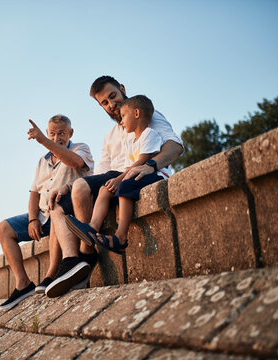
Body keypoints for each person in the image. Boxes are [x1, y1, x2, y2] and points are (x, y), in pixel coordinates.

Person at [44, 76, 183, 298]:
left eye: (113, 96)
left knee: (86, 186)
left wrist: (150, 165)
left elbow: (175, 146)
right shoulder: (110, 136)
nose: (111, 105)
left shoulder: (147, 114)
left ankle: (86, 257)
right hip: (111, 176)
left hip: (133, 173)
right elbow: (99, 173)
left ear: (122, 89)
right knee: (64, 197)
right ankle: (75, 261)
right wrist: (66, 188)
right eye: (104, 103)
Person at [0, 114, 94, 309]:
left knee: (55, 207)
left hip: (65, 211)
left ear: (70, 133)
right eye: (52, 134)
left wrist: (44, 141)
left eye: (61, 133)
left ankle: (56, 271)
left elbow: (76, 163)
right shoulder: (42, 161)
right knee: (3, 228)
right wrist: (33, 219)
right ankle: (23, 283)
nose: (57, 137)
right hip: (42, 215)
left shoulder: (80, 148)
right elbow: (34, 193)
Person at [66, 95, 171, 253]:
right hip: (135, 174)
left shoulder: (149, 134)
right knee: (104, 189)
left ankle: (121, 237)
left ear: (136, 114)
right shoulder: (130, 140)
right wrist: (116, 179)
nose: (120, 121)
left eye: (123, 116)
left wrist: (119, 179)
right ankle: (92, 228)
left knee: (125, 186)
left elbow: (141, 162)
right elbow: (129, 167)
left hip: (155, 175)